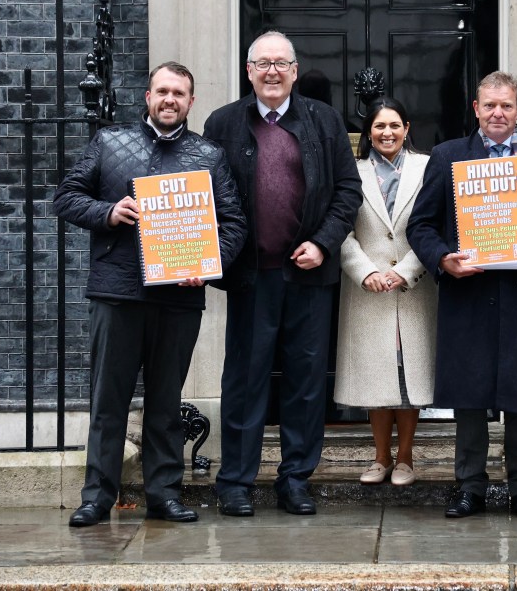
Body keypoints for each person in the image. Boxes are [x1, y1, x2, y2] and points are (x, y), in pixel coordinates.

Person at [53, 61, 246, 527]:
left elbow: (234, 224)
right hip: (117, 293)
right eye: (162, 91)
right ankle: (97, 496)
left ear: (190, 102)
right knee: (108, 400)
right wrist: (108, 211)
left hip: (178, 298)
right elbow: (65, 197)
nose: (169, 100)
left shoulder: (209, 155)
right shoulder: (109, 142)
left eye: (179, 93)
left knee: (165, 402)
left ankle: (164, 493)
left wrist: (208, 264)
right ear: (148, 95)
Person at [406, 71, 517, 520]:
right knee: (468, 395)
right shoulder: (448, 158)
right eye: (490, 106)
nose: (498, 113)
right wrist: (443, 258)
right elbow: (421, 225)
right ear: (476, 109)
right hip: (470, 292)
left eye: (506, 105)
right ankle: (469, 486)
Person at [203, 31, 362, 517]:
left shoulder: (324, 120)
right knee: (245, 381)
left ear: (295, 70)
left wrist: (323, 243)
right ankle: (235, 481)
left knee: (305, 381)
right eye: (262, 63)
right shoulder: (223, 123)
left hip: (308, 275)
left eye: (281, 63)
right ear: (248, 71)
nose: (272, 71)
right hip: (252, 275)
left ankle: (295, 479)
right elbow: (204, 193)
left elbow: (347, 191)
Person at [335, 97, 437, 486]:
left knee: (407, 375)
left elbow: (435, 222)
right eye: (379, 126)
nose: (387, 133)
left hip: (414, 288)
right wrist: (364, 272)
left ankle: (407, 458)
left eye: (395, 125)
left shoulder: (428, 168)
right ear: (369, 132)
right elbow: (341, 227)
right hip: (368, 290)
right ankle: (380, 458)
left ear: (407, 128)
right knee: (378, 376)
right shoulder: (352, 171)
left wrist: (408, 270)